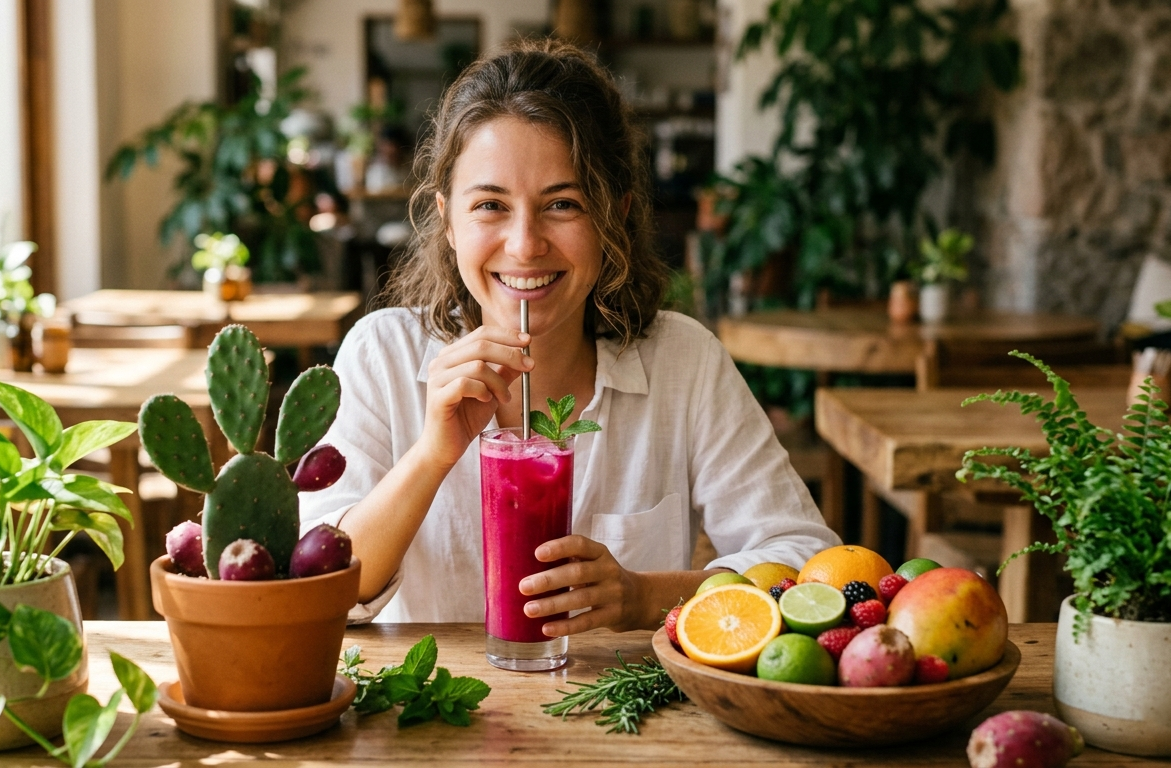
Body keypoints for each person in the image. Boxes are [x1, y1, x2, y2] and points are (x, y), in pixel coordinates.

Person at [301, 38, 839, 636]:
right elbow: (316, 586)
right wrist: (432, 454)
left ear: (614, 217)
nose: (526, 245)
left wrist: (642, 597)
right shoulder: (382, 357)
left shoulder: (682, 363)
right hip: (423, 720)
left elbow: (803, 563)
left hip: (622, 722)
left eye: (563, 204)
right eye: (489, 206)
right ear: (448, 221)